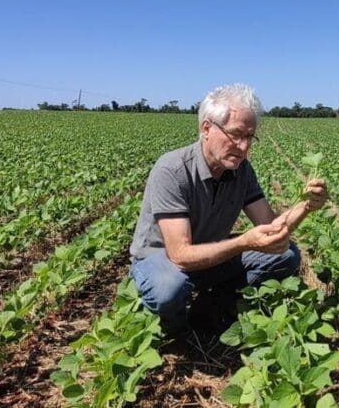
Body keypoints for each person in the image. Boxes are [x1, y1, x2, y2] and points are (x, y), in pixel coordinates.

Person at [129, 83, 328, 334]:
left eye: (249, 137)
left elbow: (271, 229)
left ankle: (211, 307)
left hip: (211, 256)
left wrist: (307, 206)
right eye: (235, 134)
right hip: (163, 260)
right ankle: (176, 333)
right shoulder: (172, 170)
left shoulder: (241, 170)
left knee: (285, 255)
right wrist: (244, 242)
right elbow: (179, 255)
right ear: (207, 128)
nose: (244, 147)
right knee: (168, 288)